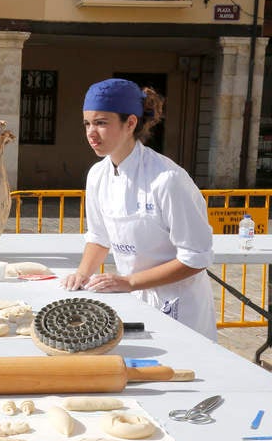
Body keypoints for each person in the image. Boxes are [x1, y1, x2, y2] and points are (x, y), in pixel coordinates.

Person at [63, 78, 216, 339]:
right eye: (87, 123)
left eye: (101, 123)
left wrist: (130, 281)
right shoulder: (97, 175)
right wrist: (81, 275)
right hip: (132, 299)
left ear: (130, 123)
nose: (91, 132)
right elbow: (99, 238)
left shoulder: (168, 179)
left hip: (179, 304)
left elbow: (196, 257)